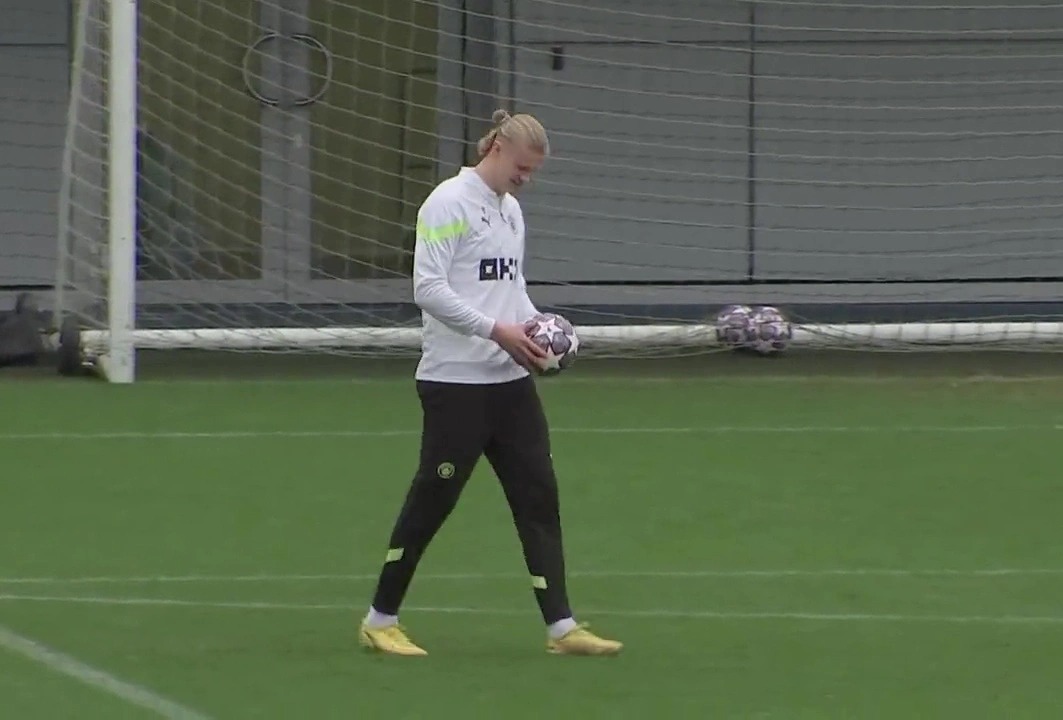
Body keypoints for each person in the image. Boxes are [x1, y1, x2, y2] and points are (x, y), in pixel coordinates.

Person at [358, 109, 623, 657]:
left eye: (533, 172)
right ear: (497, 149)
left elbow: (511, 291)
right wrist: (496, 331)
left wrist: (540, 332)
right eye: (522, 167)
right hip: (455, 384)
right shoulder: (448, 204)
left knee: (538, 498)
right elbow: (428, 289)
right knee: (434, 498)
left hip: (509, 384)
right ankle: (380, 620)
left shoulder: (511, 212)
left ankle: (562, 629)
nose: (527, 178)